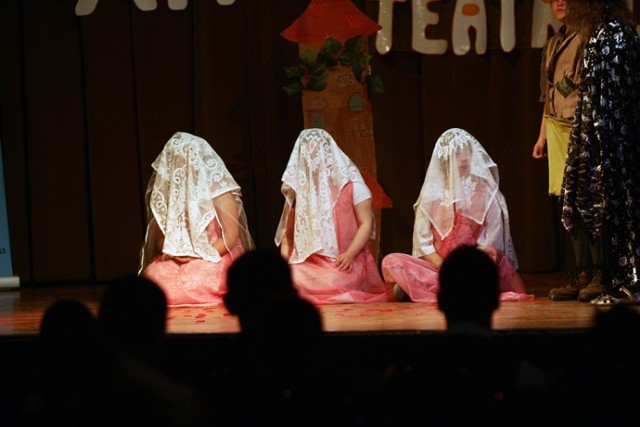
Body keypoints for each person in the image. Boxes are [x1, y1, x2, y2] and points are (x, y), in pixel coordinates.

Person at [381, 128, 532, 303]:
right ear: (444, 159)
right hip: (438, 268)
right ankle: (444, 286)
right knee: (391, 261)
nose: (462, 159)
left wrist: (465, 265)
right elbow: (423, 244)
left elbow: (491, 242)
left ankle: (428, 288)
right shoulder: (431, 196)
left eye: (465, 153)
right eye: (456, 154)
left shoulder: (486, 193)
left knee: (484, 263)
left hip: (474, 264)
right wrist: (443, 266)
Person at [561, 0, 640, 304]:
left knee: (615, 204)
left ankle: (618, 278)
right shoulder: (608, 33)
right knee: (600, 202)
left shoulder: (611, 36)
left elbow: (611, 94)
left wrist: (598, 141)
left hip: (613, 141)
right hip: (608, 137)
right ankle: (609, 276)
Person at [532, 0, 603, 302]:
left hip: (583, 127)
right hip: (558, 129)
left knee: (589, 200)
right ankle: (580, 273)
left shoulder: (590, 35)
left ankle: (601, 272)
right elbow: (548, 95)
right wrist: (542, 136)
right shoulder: (553, 43)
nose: (559, 2)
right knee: (568, 204)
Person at [275, 128, 394, 304]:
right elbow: (288, 236)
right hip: (310, 265)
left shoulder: (353, 187)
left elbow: (365, 224)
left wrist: (350, 254)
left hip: (343, 262)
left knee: (333, 280)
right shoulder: (302, 195)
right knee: (290, 278)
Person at [139, 131, 254, 306]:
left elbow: (230, 235)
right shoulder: (171, 195)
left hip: (215, 253)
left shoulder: (219, 191)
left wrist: (200, 254)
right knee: (156, 276)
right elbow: (160, 239)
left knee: (203, 279)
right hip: (179, 257)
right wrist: (177, 252)